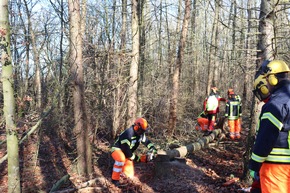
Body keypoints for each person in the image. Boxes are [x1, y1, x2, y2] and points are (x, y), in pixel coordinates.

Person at [249, 60, 290, 193]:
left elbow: (266, 137)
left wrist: (254, 164)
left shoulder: (276, 104)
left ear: (272, 79)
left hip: (276, 168)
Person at [110, 117, 157, 186]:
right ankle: (114, 180)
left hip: (127, 153)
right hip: (117, 150)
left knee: (130, 176)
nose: (142, 133)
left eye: (143, 131)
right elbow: (126, 150)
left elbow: (147, 142)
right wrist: (139, 159)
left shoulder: (140, 134)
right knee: (121, 159)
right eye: (141, 130)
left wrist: (153, 149)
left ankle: (122, 174)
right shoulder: (128, 133)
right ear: (136, 127)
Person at [250, 72, 271, 193]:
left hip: (270, 160)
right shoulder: (270, 105)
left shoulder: (271, 107)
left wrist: (255, 164)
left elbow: (265, 138)